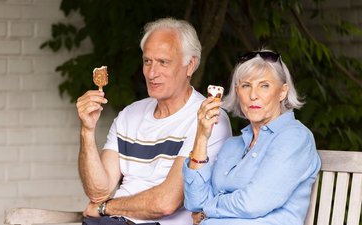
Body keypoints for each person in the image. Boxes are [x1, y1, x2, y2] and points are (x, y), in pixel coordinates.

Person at [76, 17, 232, 225]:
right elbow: (98, 192)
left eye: (163, 62)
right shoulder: (129, 115)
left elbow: (166, 202)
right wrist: (87, 130)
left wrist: (106, 207)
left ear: (190, 65)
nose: (152, 73)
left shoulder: (208, 118)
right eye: (147, 61)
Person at [183, 49, 321, 225]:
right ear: (237, 91)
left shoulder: (295, 138)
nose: (253, 95)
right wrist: (202, 136)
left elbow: (254, 203)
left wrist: (207, 210)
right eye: (246, 85)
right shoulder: (232, 146)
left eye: (264, 85)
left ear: (282, 92)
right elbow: (195, 202)